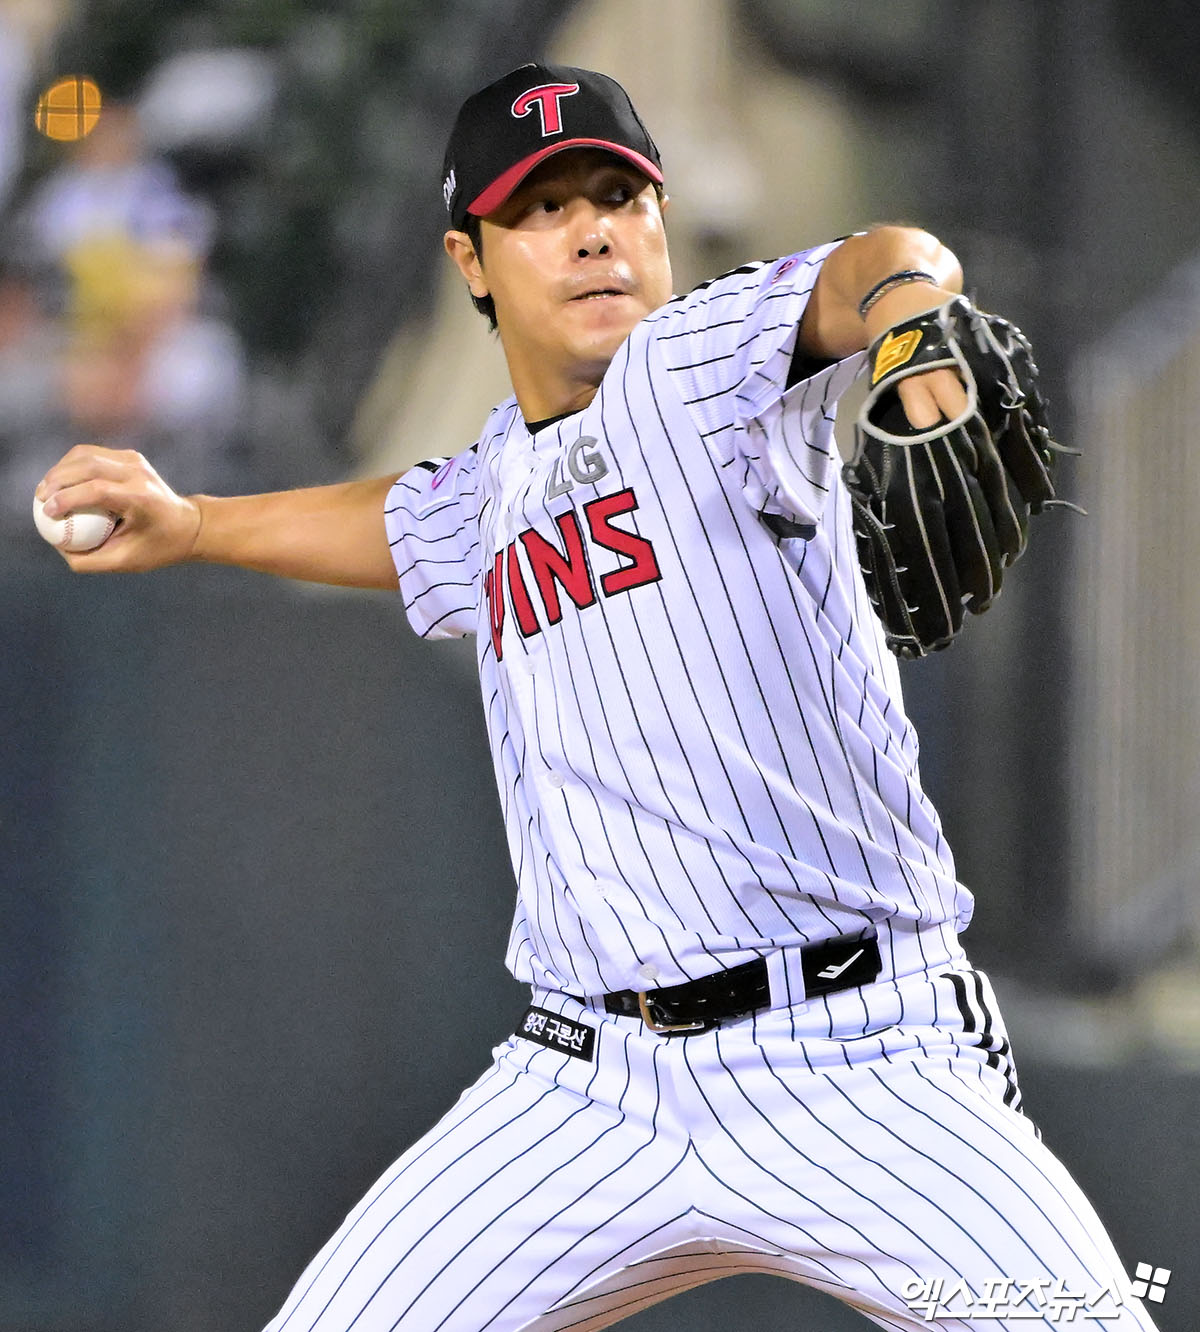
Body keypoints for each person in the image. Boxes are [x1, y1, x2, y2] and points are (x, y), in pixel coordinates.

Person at [37, 64, 1156, 1332]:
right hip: (587, 1088)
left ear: (661, 221)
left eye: (620, 197)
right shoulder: (492, 486)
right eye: (543, 207)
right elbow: (399, 521)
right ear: (469, 260)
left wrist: (908, 322)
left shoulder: (697, 365)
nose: (593, 233)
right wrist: (194, 524)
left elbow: (877, 260)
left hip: (858, 1057)